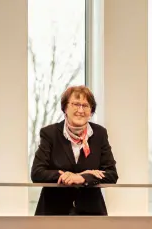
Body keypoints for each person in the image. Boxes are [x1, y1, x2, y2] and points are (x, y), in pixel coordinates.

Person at [30, 86, 118, 215]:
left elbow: (111, 174)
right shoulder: (50, 133)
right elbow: (37, 173)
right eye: (76, 104)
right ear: (65, 108)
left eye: (85, 105)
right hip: (54, 212)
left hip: (91, 213)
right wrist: (66, 176)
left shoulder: (99, 133)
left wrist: (83, 178)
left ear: (91, 111)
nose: (80, 110)